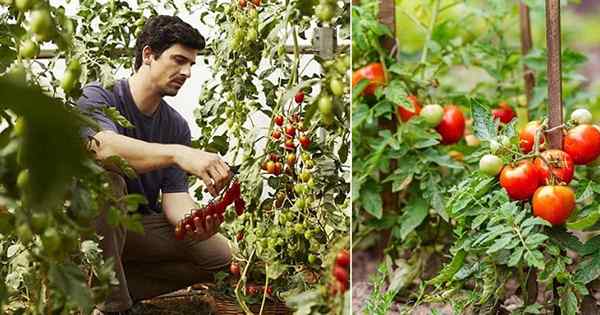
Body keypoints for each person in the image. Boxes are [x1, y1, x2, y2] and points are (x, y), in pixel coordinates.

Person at [77, 15, 232, 315]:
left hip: (134, 232)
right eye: (178, 60)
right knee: (106, 181)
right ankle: (112, 307)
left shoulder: (176, 126)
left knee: (218, 256)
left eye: (191, 64)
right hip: (87, 233)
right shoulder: (100, 94)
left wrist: (198, 221)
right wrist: (178, 154)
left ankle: (106, 289)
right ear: (148, 55)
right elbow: (102, 147)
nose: (186, 72)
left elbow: (175, 201)